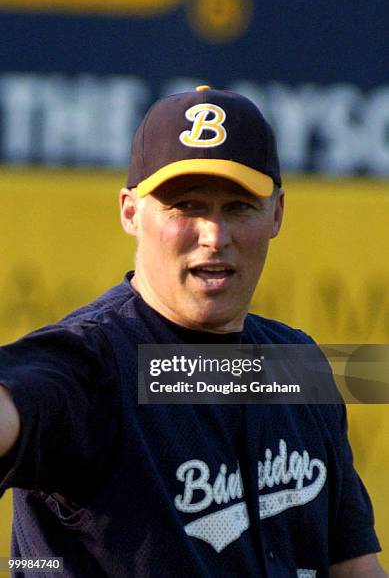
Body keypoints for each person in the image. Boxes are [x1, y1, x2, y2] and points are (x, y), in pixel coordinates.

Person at [0, 86, 386, 577]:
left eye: (238, 207)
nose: (213, 235)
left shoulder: (297, 365)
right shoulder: (96, 366)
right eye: (185, 206)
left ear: (278, 213)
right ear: (130, 211)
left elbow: (353, 567)